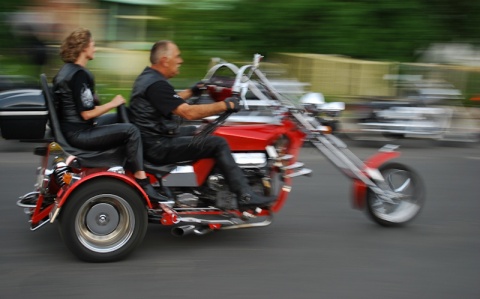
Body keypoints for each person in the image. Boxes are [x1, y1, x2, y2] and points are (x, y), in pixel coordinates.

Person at [128, 40, 275, 208]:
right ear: (164, 60)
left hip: (152, 139)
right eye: (177, 56)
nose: (180, 60)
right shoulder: (157, 84)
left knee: (203, 129)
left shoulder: (148, 78)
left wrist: (193, 91)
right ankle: (245, 195)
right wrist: (225, 105)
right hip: (157, 146)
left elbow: (167, 101)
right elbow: (188, 113)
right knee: (217, 143)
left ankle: (213, 186)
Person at [52, 28, 170, 204]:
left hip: (71, 130)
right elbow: (86, 114)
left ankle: (137, 166)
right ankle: (141, 179)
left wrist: (97, 101)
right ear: (83, 47)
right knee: (131, 131)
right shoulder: (80, 74)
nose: (95, 48)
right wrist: (112, 103)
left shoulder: (65, 71)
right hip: (80, 134)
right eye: (93, 44)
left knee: (120, 117)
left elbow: (78, 105)